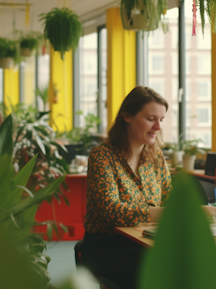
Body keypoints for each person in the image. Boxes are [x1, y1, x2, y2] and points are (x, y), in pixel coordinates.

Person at [81, 86, 172, 289]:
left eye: (161, 120)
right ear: (127, 116)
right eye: (151, 119)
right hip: (107, 245)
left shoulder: (156, 158)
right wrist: (160, 213)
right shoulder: (102, 156)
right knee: (158, 269)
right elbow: (112, 211)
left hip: (148, 241)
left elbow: (170, 200)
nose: (158, 127)